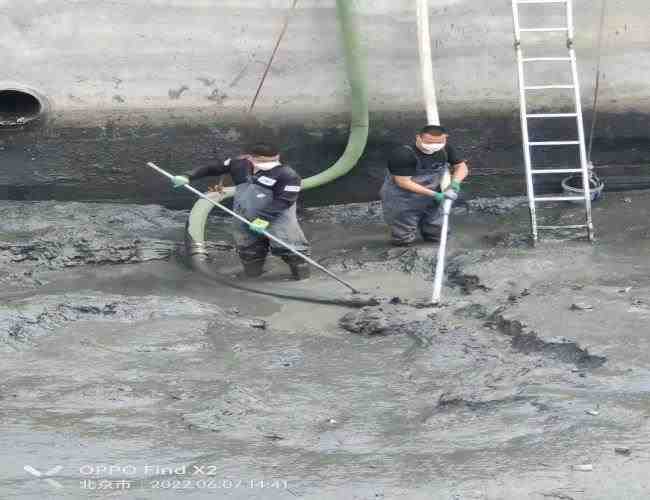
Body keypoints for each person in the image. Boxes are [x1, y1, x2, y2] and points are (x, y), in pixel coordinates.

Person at [171, 143, 310, 280]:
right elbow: (212, 168)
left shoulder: (288, 175)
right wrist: (188, 176)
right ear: (250, 158)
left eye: (273, 160)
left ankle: (301, 277)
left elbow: (285, 200)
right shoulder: (238, 164)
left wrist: (264, 218)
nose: (268, 164)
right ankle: (253, 276)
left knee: (291, 250)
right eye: (262, 161)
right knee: (249, 250)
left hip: (278, 219)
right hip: (245, 216)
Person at [380, 125, 469, 246]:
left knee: (438, 231)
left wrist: (454, 184)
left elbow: (461, 167)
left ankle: (433, 243)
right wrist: (436, 194)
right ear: (418, 138)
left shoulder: (445, 149)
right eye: (429, 142)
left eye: (439, 142)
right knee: (403, 234)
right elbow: (403, 182)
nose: (434, 145)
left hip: (432, 197)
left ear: (445, 138)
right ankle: (403, 246)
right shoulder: (403, 154)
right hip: (403, 198)